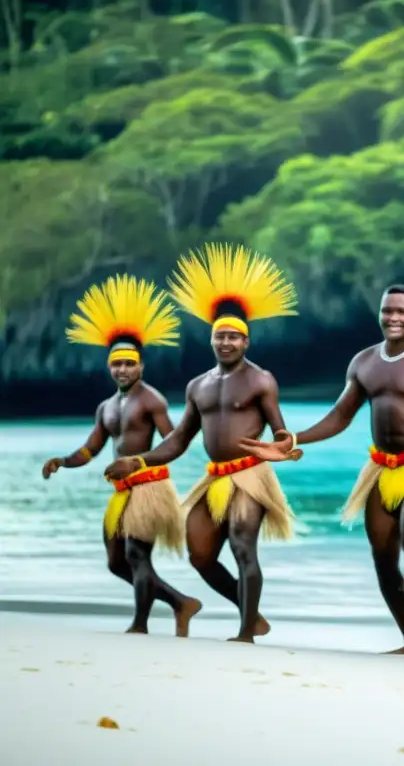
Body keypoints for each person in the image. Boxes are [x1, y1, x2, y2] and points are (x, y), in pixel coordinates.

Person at [238, 284, 404, 657]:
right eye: (388, 311)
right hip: (380, 469)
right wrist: (293, 440)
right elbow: (340, 416)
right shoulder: (364, 362)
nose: (394, 318)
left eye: (402, 312)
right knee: (383, 558)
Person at [104, 243, 301, 643]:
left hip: (249, 475)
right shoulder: (199, 386)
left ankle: (246, 631)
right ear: (211, 340)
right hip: (213, 480)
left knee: (244, 548)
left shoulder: (262, 380)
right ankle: (253, 615)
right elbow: (177, 440)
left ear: (246, 342)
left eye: (233, 337)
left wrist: (284, 445)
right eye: (219, 337)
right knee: (200, 556)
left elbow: (280, 431)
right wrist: (138, 462)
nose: (225, 342)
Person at [42, 274, 202, 637]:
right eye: (117, 364)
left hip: (149, 487)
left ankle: (140, 625)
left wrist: (140, 461)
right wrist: (64, 461)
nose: (123, 369)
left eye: (129, 364)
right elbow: (92, 448)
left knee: (135, 556)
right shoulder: (106, 407)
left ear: (141, 366)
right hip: (121, 492)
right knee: (116, 562)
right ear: (109, 367)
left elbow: (175, 441)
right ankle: (180, 603)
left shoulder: (152, 400)